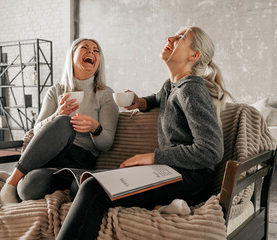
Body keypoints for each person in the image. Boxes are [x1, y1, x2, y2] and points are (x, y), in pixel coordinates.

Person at [56, 26, 233, 240]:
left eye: (180, 38)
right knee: (81, 185)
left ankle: (169, 202)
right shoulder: (172, 86)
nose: (170, 37)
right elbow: (160, 97)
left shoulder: (192, 89)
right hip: (169, 171)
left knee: (93, 188)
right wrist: (141, 102)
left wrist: (152, 157)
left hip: (191, 177)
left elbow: (211, 151)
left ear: (193, 55)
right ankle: (164, 205)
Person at [0, 38, 119, 205]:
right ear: (71, 56)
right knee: (62, 122)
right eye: (84, 47)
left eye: (96, 50)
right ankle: (12, 183)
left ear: (99, 62)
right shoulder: (56, 90)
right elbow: (37, 130)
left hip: (80, 159)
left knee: (29, 188)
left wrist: (95, 128)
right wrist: (56, 115)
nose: (91, 52)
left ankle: (16, 181)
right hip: (50, 156)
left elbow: (106, 144)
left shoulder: (105, 94)